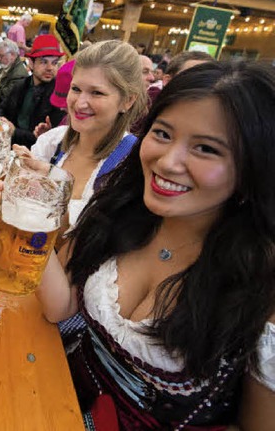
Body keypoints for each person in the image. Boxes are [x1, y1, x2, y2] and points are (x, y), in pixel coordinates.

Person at [34, 61, 275, 429]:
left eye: (206, 149)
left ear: (253, 169)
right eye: (162, 134)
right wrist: (31, 222)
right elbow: (61, 306)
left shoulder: (263, 286)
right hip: (49, 397)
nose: (167, 161)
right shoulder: (121, 207)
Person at [30, 40, 146, 233]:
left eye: (96, 93)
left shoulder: (132, 165)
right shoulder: (53, 142)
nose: (80, 103)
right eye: (76, 89)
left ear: (127, 101)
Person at [0, 34, 66, 148]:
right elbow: (1, 107)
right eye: (43, 62)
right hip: (6, 146)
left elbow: (50, 140)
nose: (50, 68)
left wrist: (14, 132)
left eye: (54, 63)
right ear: (31, 63)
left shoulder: (59, 96)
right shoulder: (21, 84)